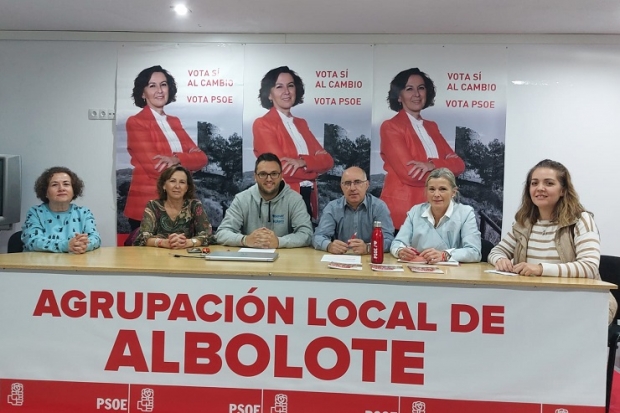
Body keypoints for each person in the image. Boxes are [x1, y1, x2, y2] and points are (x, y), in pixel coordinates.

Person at [487, 159, 617, 323]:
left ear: (563, 190)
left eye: (549, 183)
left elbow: (589, 267)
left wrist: (540, 269)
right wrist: (501, 260)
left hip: (582, 301)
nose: (540, 188)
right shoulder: (525, 222)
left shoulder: (580, 220)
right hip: (535, 300)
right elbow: (496, 251)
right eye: (534, 183)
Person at [380, 68, 465, 229]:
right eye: (409, 89)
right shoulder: (391, 127)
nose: (417, 94)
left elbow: (459, 164)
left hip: (436, 213)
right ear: (399, 96)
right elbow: (410, 174)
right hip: (404, 215)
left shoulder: (432, 127)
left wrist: (432, 164)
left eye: (421, 88)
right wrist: (445, 173)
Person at [124, 65, 208, 230]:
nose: (159, 90)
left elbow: (202, 158)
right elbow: (156, 167)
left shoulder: (174, 121)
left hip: (179, 206)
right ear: (143, 93)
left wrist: (176, 159)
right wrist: (188, 162)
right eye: (152, 85)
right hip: (148, 207)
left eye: (163, 84)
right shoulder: (136, 122)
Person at [253, 66, 334, 219]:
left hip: (307, 197)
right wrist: (314, 169)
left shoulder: (301, 123)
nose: (287, 91)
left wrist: (302, 162)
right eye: (279, 87)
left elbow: (328, 161)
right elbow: (280, 169)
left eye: (290, 85)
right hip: (282, 199)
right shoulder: (263, 124)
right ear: (269, 94)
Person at [216, 153, 313, 248]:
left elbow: (306, 234)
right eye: (263, 174)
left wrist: (279, 242)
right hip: (249, 260)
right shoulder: (242, 199)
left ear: (281, 176)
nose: (269, 179)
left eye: (274, 174)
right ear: (255, 176)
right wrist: (245, 240)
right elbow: (222, 233)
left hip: (285, 259)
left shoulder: (295, 200)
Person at [390, 168, 481, 263]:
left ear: (453, 192)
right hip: (417, 270)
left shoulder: (465, 213)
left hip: (452, 274)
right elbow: (397, 243)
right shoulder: (416, 211)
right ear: (426, 192)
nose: (436, 194)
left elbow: (474, 252)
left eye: (442, 189)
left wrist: (444, 255)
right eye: (432, 189)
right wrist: (400, 251)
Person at [313, 166, 394, 254]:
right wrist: (329, 246)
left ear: (367, 185)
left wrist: (368, 248)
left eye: (357, 182)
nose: (352, 188)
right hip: (341, 259)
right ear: (342, 187)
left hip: (369, 259)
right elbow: (318, 236)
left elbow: (389, 240)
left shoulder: (379, 207)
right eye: (347, 183)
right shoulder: (332, 208)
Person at [21, 167, 101, 253]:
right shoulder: (35, 212)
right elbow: (33, 241)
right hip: (42, 265)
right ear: (45, 192)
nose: (61, 189)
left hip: (74, 264)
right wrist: (66, 245)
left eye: (66, 184)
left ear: (73, 190)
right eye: (54, 185)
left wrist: (84, 246)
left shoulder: (83, 213)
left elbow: (95, 238)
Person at [133, 165, 213, 249]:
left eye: (182, 182)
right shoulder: (153, 206)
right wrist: (164, 243)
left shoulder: (194, 205)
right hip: (157, 257)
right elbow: (143, 237)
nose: (177, 186)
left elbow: (207, 234)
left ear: (187, 188)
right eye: (172, 181)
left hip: (187, 256)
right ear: (164, 185)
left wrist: (188, 242)